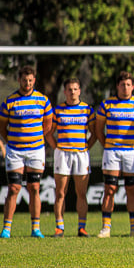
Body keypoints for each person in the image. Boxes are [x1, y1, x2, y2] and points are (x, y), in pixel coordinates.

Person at [0, 65, 54, 238]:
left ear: (34, 80)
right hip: (15, 151)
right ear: (19, 80)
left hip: (36, 150)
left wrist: (34, 138)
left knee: (34, 187)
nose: (27, 83)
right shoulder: (10, 101)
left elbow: (48, 125)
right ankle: (7, 228)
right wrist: (14, 140)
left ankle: (35, 228)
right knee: (14, 188)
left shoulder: (43, 100)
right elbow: (1, 127)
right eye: (24, 80)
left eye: (30, 80)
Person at [94, 70, 134, 238]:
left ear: (132, 87)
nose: (125, 87)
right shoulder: (107, 105)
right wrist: (109, 146)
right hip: (112, 151)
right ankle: (106, 228)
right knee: (110, 188)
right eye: (122, 84)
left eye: (128, 84)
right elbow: (98, 129)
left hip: (133, 152)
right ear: (117, 86)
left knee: (131, 189)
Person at [51, 78, 94, 237]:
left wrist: (86, 146)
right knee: (60, 193)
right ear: (65, 92)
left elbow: (95, 133)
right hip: (63, 154)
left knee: (81, 193)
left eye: (75, 89)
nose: (72, 92)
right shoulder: (58, 110)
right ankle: (59, 227)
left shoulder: (87, 110)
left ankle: (81, 227)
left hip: (81, 154)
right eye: (69, 89)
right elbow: (49, 132)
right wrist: (57, 147)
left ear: (80, 91)